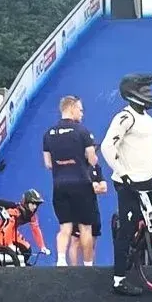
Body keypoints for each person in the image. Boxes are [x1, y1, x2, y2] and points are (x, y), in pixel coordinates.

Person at [101, 73, 152, 294]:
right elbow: (107, 147)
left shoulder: (148, 120)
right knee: (128, 229)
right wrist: (122, 174)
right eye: (143, 89)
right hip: (128, 184)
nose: (149, 94)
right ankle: (119, 279)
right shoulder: (125, 117)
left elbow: (150, 150)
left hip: (148, 180)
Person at [42, 94, 106, 266]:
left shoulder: (48, 133)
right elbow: (92, 159)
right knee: (85, 227)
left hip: (59, 185)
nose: (82, 113)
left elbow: (48, 164)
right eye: (80, 109)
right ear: (71, 108)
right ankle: (87, 265)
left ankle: (61, 261)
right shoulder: (83, 131)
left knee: (65, 227)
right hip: (81, 184)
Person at [0, 189, 48, 263]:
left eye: (36, 204)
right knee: (9, 251)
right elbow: (7, 228)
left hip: (12, 232)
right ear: (26, 203)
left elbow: (36, 229)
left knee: (27, 249)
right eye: (32, 204)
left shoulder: (32, 216)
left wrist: (42, 246)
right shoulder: (14, 212)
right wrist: (9, 244)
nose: (35, 207)